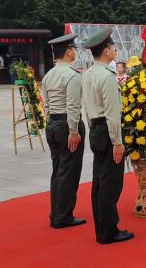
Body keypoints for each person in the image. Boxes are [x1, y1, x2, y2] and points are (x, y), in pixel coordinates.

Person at [81, 27, 133, 244]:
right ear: (105, 52)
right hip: (108, 130)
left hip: (95, 128)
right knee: (111, 184)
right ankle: (109, 231)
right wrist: (117, 142)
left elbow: (86, 106)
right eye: (112, 47)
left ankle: (102, 229)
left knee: (100, 183)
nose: (115, 49)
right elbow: (112, 114)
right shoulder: (108, 76)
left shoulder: (88, 74)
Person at [41, 33, 86, 229]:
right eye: (74, 49)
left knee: (58, 171)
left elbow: (47, 105)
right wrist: (74, 131)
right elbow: (73, 107)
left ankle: (56, 212)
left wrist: (51, 124)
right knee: (69, 172)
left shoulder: (49, 74)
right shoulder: (72, 75)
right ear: (69, 52)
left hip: (52, 124)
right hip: (67, 125)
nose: (75, 52)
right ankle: (63, 216)